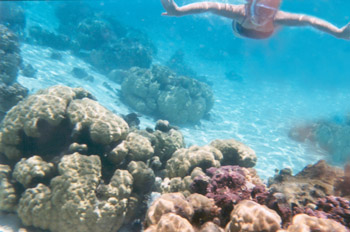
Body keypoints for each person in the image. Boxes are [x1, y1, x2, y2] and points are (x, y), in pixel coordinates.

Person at [160, 0, 350, 40]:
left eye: (268, 12)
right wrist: (179, 11)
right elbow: (210, 6)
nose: (262, 16)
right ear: (249, 5)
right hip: (240, 29)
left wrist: (339, 33)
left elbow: (309, 20)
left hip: (264, 36)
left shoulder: (277, 18)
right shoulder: (240, 12)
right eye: (259, 10)